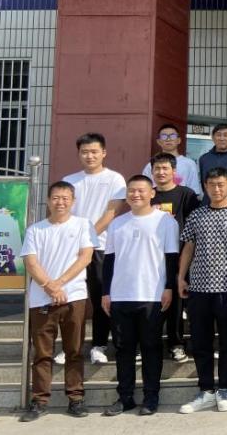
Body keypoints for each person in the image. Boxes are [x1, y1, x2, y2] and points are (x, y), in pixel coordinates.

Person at [177, 167, 227, 413]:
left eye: (221, 184)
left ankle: (224, 389)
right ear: (205, 186)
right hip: (199, 288)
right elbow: (188, 247)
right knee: (201, 341)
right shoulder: (196, 215)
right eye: (212, 184)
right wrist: (181, 277)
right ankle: (206, 390)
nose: (216, 189)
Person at [101, 175, 179, 416]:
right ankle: (125, 398)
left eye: (141, 190)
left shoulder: (165, 222)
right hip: (120, 295)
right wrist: (106, 292)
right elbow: (109, 260)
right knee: (123, 349)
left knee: (150, 347)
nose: (135, 195)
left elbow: (172, 258)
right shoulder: (117, 223)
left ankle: (150, 397)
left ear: (152, 193)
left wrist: (169, 287)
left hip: (152, 295)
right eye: (131, 191)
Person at [19, 181, 96, 422]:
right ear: (48, 201)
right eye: (55, 198)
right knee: (42, 353)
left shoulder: (83, 224)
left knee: (74, 350)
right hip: (41, 299)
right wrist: (49, 286)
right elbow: (30, 262)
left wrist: (59, 283)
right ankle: (39, 401)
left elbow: (86, 257)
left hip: (74, 297)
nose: (60, 202)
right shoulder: (35, 230)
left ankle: (76, 398)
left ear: (73, 201)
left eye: (65, 198)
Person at [62, 132, 126, 365]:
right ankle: (70, 346)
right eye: (84, 152)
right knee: (70, 299)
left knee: (101, 298)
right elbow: (63, 212)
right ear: (79, 154)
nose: (89, 156)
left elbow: (111, 213)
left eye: (94, 152)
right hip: (72, 249)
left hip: (100, 247)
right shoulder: (70, 181)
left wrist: (87, 238)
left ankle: (99, 345)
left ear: (104, 153)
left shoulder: (115, 179)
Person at [148, 152, 199, 363]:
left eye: (165, 168)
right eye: (157, 169)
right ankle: (147, 344)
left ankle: (176, 344)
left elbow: (193, 227)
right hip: (151, 258)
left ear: (174, 171)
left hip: (178, 256)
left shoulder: (186, 194)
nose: (161, 172)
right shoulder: (147, 195)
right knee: (151, 302)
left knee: (177, 303)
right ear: (151, 172)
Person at [141, 123, 202, 195]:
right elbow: (145, 189)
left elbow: (194, 191)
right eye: (164, 136)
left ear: (179, 140)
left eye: (172, 136)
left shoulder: (189, 164)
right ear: (159, 142)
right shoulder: (151, 165)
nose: (168, 139)